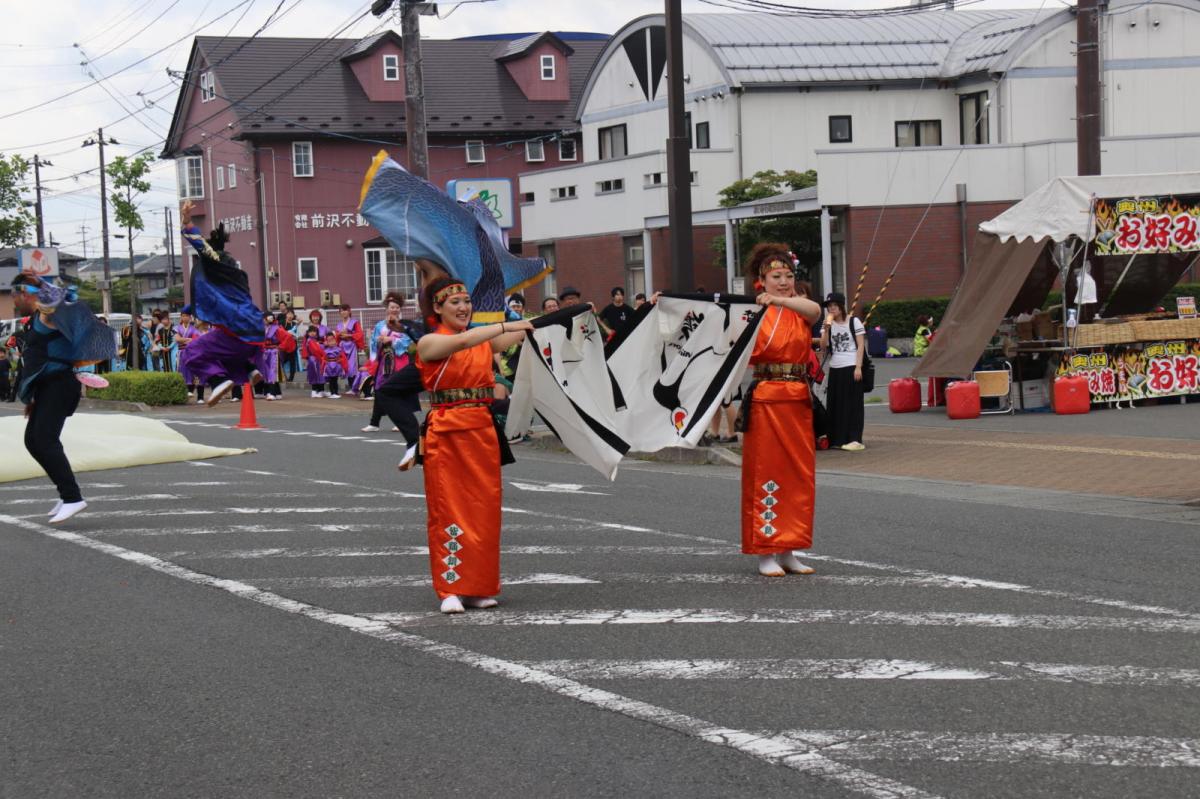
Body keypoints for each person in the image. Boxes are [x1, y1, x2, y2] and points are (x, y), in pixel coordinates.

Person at [416, 276, 533, 614]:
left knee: (484, 511)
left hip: (481, 431)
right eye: (455, 302)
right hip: (447, 433)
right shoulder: (430, 342)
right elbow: (466, 340)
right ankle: (450, 588)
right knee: (448, 510)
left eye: (467, 301)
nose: (464, 307)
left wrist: (559, 318)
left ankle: (478, 586)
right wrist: (506, 324)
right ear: (438, 308)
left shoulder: (481, 340)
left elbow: (518, 334)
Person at [738, 243, 822, 576]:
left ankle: (789, 548)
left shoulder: (799, 309)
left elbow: (815, 309)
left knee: (799, 475)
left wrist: (781, 300)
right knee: (766, 472)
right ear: (761, 280)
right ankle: (765, 551)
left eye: (788, 275)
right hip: (767, 399)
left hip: (798, 399)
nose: (784, 281)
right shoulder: (751, 312)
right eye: (776, 277)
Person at [11, 273, 117, 524]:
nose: (13, 301)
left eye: (14, 295)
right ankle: (66, 494)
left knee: (44, 440)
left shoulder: (48, 315)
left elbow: (59, 304)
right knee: (33, 441)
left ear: (24, 294)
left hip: (59, 385)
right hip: (48, 386)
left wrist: (42, 286)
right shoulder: (36, 318)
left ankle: (72, 498)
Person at [361, 293, 424, 469]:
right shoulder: (380, 325)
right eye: (391, 307)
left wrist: (392, 340)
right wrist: (380, 342)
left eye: (396, 307)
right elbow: (373, 343)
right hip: (385, 360)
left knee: (400, 389)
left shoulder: (406, 325)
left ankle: (401, 423)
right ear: (386, 308)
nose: (394, 309)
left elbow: (407, 342)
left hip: (399, 359)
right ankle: (375, 422)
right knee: (381, 389)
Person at [820, 291, 866, 451]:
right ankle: (836, 439)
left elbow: (861, 345)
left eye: (834, 305)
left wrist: (858, 367)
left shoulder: (854, 321)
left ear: (841, 306)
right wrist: (826, 330)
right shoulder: (827, 323)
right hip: (835, 367)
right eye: (829, 306)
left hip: (851, 365)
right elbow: (823, 346)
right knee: (835, 403)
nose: (831, 309)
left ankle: (855, 438)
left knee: (853, 404)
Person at [334, 304, 365, 394]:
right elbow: (336, 336)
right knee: (345, 366)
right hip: (342, 346)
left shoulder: (354, 322)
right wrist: (339, 334)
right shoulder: (339, 324)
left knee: (352, 367)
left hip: (351, 346)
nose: (343, 312)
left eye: (345, 310)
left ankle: (355, 388)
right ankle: (351, 387)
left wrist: (349, 335)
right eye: (341, 311)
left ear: (349, 311)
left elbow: (360, 334)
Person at [320, 330, 349, 398]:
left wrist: (340, 361)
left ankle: (336, 392)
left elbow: (343, 357)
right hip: (329, 367)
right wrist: (325, 363)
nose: (331, 342)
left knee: (335, 379)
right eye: (329, 341)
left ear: (335, 341)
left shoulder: (338, 349)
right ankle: (332, 393)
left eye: (332, 340)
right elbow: (323, 358)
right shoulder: (325, 350)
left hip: (336, 366)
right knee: (331, 380)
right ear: (326, 342)